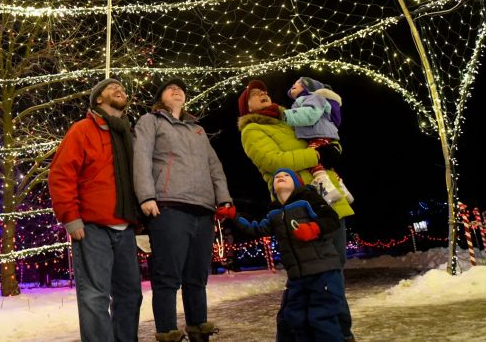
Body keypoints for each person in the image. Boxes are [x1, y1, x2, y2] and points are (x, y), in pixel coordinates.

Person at [237, 79, 356, 342]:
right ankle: (315, 334)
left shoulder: (290, 120)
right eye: (254, 95)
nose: (263, 94)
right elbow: (273, 161)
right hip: (299, 205)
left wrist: (333, 149)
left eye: (264, 91)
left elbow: (323, 137)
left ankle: (338, 333)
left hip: (329, 197)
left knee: (333, 270)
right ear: (246, 107)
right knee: (313, 273)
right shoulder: (252, 129)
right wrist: (317, 156)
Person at [134, 78, 235, 342]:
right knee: (168, 275)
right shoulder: (151, 121)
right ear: (160, 98)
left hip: (203, 208)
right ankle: (168, 332)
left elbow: (215, 166)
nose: (177, 90)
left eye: (181, 89)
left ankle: (198, 329)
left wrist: (223, 199)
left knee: (197, 276)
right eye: (170, 88)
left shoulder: (198, 130)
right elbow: (141, 157)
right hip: (169, 205)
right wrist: (146, 196)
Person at [48, 78, 142, 342]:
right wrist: (70, 217)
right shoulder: (82, 130)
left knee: (130, 294)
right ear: (98, 99)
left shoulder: (129, 135)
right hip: (91, 228)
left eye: (122, 88)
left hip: (125, 227)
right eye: (112, 88)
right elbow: (61, 174)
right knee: (94, 296)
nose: (120, 89)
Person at [235, 168, 346, 342]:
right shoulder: (274, 214)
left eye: (287, 175)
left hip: (324, 272)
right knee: (295, 319)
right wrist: (234, 216)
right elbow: (255, 229)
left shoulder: (308, 199)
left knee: (321, 318)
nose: (281, 177)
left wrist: (314, 228)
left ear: (297, 183)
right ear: (273, 189)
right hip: (297, 278)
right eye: (277, 176)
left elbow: (331, 219)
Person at [285, 76, 353, 204]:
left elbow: (310, 114)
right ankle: (343, 190)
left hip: (319, 134)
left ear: (307, 87)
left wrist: (285, 116)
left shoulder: (311, 97)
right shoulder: (308, 98)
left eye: (297, 83)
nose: (293, 85)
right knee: (325, 165)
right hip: (321, 134)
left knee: (312, 159)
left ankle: (327, 191)